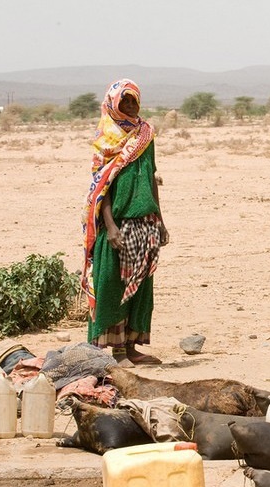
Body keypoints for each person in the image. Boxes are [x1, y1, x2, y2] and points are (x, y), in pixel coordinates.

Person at [81, 79, 169, 367]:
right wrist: (111, 226)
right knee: (112, 286)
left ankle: (131, 348)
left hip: (145, 221)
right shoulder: (105, 140)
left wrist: (160, 220)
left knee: (141, 288)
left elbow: (152, 177)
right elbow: (101, 188)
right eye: (125, 101)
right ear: (113, 103)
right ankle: (116, 352)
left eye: (133, 101)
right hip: (117, 224)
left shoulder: (145, 134)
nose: (130, 106)